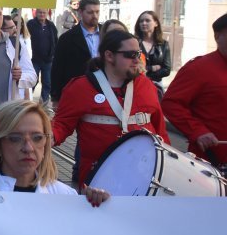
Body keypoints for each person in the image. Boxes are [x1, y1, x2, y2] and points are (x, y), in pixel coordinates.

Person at [52, 30, 170, 188]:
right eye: (130, 55)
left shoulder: (146, 86)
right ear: (109, 56)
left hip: (144, 175)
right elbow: (61, 125)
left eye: (138, 53)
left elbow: (160, 129)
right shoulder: (80, 88)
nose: (137, 60)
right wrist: (45, 137)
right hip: (98, 179)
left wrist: (168, 161)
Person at [0, 100, 109, 206]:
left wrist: (96, 208)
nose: (28, 148)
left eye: (37, 138)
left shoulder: (65, 197)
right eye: (15, 139)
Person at [162, 13, 227, 167]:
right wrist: (197, 131)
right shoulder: (199, 68)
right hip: (212, 162)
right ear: (218, 37)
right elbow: (171, 103)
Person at [50, 0, 100, 104]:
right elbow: (58, 68)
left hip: (105, 90)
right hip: (78, 92)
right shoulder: (67, 38)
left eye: (97, 12)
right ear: (81, 12)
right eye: (90, 12)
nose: (95, 16)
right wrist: (56, 97)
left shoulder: (106, 33)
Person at [26, 9, 58, 105]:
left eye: (44, 13)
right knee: (32, 82)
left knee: (47, 83)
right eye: (40, 12)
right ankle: (28, 103)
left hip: (48, 60)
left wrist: (54, 53)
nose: (42, 14)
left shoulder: (51, 25)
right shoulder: (30, 24)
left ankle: (44, 104)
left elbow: (55, 40)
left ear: (47, 14)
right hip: (34, 59)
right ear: (36, 13)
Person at [134, 10, 171, 87]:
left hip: (156, 84)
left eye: (147, 21)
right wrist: (152, 68)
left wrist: (148, 77)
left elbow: (166, 70)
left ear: (156, 23)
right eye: (141, 21)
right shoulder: (134, 43)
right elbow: (134, 66)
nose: (144, 23)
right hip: (136, 83)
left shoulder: (164, 44)